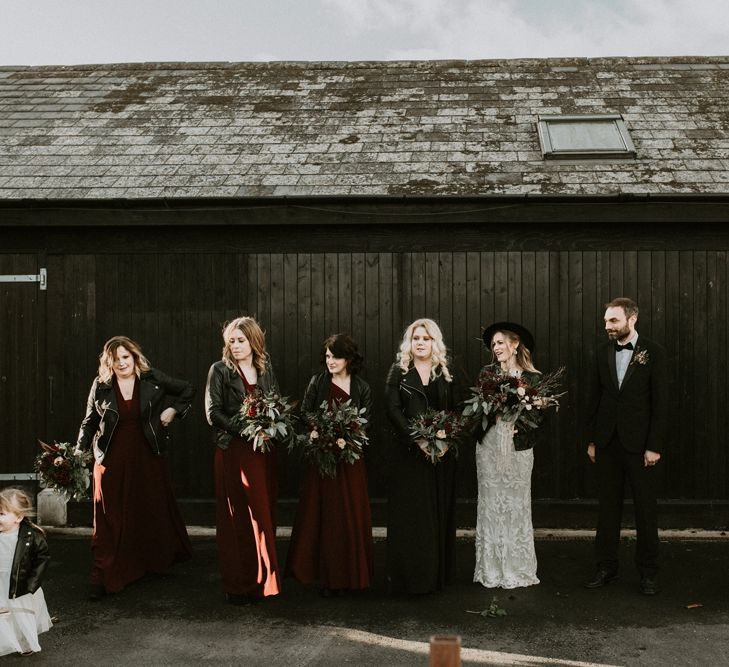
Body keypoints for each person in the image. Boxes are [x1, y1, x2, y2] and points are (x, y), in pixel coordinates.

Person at [77, 336, 194, 600]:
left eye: (126, 357)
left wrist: (173, 410)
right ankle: (104, 572)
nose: (121, 363)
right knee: (110, 515)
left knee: (147, 509)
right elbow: (90, 421)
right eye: (115, 359)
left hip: (146, 456)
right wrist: (79, 449)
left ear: (134, 357)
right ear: (109, 362)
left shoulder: (151, 378)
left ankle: (147, 564)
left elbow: (188, 390)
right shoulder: (102, 385)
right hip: (110, 458)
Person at [585, 297, 668, 595]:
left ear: (632, 319)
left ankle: (648, 573)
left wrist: (654, 446)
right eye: (606, 320)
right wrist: (593, 441)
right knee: (607, 510)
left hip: (641, 446)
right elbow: (593, 399)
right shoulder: (601, 352)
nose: (607, 326)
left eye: (613, 321)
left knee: (646, 511)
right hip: (607, 443)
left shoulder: (653, 353)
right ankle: (606, 568)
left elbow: (661, 403)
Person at [286, 334, 374, 596]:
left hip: (349, 461)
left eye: (335, 356)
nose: (330, 361)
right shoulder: (318, 381)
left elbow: (365, 421)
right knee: (324, 517)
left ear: (348, 359)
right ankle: (327, 578)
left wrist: (346, 434)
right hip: (323, 459)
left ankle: (353, 577)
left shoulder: (362, 387)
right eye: (327, 356)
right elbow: (305, 413)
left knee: (350, 516)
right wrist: (322, 430)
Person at [205, 316, 281, 604]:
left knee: (262, 515)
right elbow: (213, 413)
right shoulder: (220, 371)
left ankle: (263, 581)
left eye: (240, 340)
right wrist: (247, 430)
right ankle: (238, 585)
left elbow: (274, 403)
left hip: (262, 452)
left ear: (253, 341)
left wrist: (269, 427)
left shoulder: (265, 369)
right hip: (233, 451)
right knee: (236, 517)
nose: (235, 346)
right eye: (231, 341)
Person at [384, 318, 458, 594]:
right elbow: (392, 410)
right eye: (416, 338)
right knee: (411, 518)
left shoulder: (446, 372)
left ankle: (435, 578)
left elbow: (457, 409)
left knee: (435, 515)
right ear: (409, 343)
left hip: (441, 456)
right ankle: (408, 580)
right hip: (408, 456)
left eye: (426, 338)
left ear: (434, 342)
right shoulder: (398, 371)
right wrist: (417, 439)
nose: (420, 343)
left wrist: (446, 439)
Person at [473, 322, 541, 589]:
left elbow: (538, 416)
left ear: (515, 344)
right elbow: (478, 411)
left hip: (518, 449)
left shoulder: (533, 378)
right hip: (489, 446)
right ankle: (490, 568)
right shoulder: (486, 373)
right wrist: (494, 408)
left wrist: (519, 427)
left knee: (516, 504)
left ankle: (517, 567)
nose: (496, 347)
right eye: (493, 344)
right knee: (491, 503)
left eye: (501, 342)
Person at [0, 487, 52, 657]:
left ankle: (25, 641)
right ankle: (6, 642)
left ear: (18, 517)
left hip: (20, 582)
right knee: (4, 614)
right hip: (1, 581)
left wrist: (32, 584)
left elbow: (41, 560)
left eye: (2, 514)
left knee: (21, 613)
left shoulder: (32, 536)